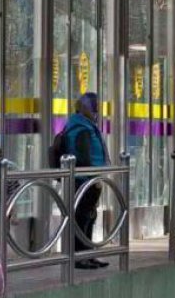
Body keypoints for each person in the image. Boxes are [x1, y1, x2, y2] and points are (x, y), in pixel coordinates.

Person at [63, 93, 110, 270]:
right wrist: (92, 178)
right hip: (84, 180)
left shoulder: (85, 125)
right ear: (84, 108)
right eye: (94, 107)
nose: (96, 111)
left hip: (89, 180)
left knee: (90, 216)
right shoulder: (80, 127)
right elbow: (82, 156)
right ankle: (79, 257)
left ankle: (88, 254)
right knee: (82, 217)